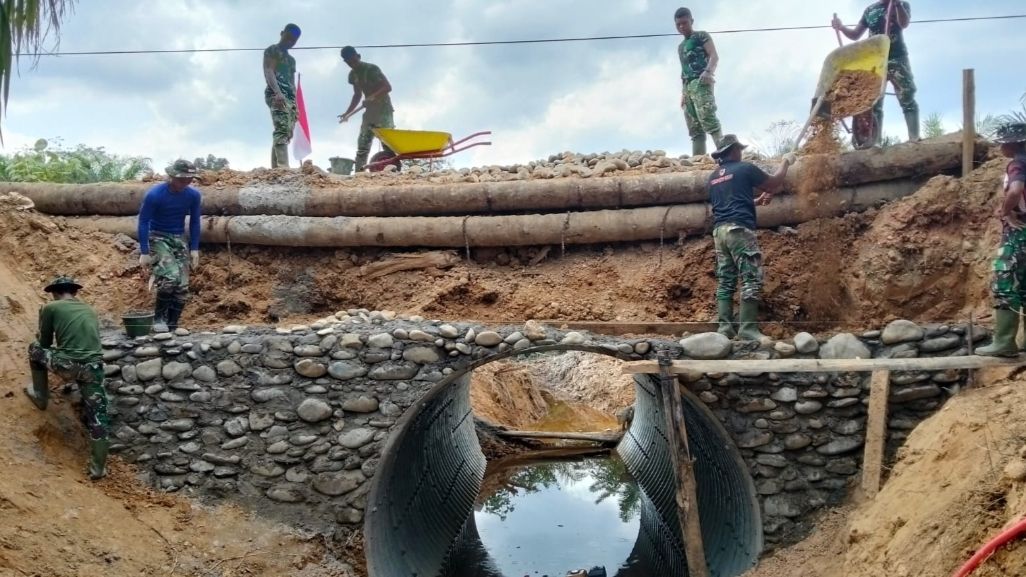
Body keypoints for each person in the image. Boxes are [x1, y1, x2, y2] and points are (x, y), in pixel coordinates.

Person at [707, 135, 795, 341]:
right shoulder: (744, 168)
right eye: (739, 149)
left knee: (726, 279)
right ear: (734, 150)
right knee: (751, 278)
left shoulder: (713, 177)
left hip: (720, 232)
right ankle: (747, 329)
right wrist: (786, 162)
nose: (741, 152)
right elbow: (773, 183)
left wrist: (755, 201)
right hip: (739, 230)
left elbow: (730, 203)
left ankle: (725, 328)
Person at [25, 276, 110, 480]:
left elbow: (44, 343)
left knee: (34, 349)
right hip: (93, 369)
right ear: (75, 292)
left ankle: (40, 395)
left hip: (66, 365)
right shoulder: (90, 309)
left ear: (54, 292)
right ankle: (98, 468)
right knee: (99, 418)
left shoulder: (50, 307)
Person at [832, 1, 919, 146]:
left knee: (906, 94)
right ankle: (875, 143)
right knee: (874, 101)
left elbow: (904, 24)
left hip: (897, 58)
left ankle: (914, 138)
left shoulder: (902, 4)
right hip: (875, 60)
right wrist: (841, 27)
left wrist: (897, 5)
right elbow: (855, 35)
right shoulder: (870, 10)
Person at [138, 159, 202, 334]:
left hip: (178, 237)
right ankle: (159, 318)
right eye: (182, 179)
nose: (186, 183)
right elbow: (143, 222)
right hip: (157, 236)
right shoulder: (155, 194)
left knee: (182, 284)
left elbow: (195, 222)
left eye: (189, 179)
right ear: (172, 176)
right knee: (170, 276)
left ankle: (172, 324)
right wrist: (144, 251)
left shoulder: (193, 195)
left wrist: (195, 248)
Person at [978, 123, 1026, 357]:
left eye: (1004, 142)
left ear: (1015, 143)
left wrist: (1005, 211)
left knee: (1005, 280)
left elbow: (1016, 190)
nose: (1001, 147)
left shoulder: (1017, 164)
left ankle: (1005, 342)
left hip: (1020, 231)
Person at [675, 7, 723, 157]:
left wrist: (708, 71)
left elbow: (714, 56)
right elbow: (684, 71)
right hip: (688, 86)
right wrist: (683, 92)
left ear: (691, 21)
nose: (682, 27)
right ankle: (698, 160)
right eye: (678, 24)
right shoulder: (681, 46)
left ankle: (725, 155)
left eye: (685, 23)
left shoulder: (701, 36)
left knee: (708, 117)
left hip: (701, 81)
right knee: (694, 126)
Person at [338, 46, 395, 172]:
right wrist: (348, 112)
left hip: (383, 110)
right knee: (363, 145)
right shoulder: (352, 75)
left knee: (387, 144)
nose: (352, 64)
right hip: (369, 113)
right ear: (345, 62)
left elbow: (387, 87)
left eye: (353, 60)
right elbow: (357, 95)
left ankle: (392, 171)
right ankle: (359, 174)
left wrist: (372, 97)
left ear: (358, 56)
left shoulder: (372, 69)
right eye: (348, 62)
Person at [263, 23, 301, 168]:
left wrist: (295, 105)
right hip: (277, 94)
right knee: (282, 128)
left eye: (293, 40)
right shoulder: (273, 50)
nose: (290, 42)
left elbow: (292, 82)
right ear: (282, 33)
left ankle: (276, 169)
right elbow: (269, 71)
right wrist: (277, 93)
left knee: (287, 133)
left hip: (290, 98)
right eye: (288, 38)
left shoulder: (291, 60)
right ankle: (283, 168)